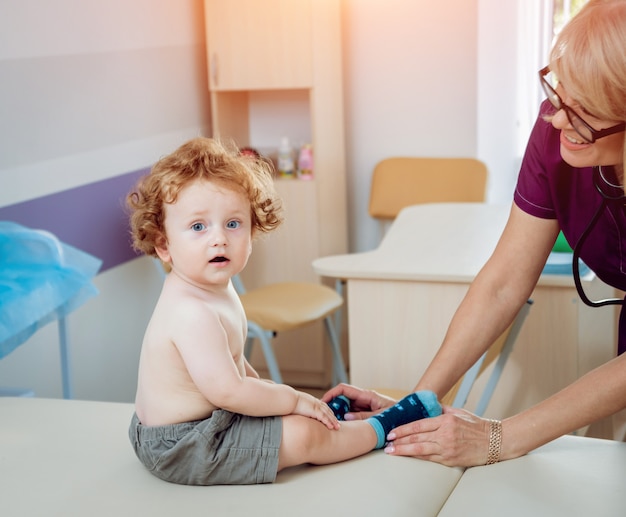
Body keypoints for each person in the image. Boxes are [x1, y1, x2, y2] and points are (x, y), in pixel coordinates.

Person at [323, 0, 626, 467]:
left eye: (584, 112)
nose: (558, 118)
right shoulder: (556, 138)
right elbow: (504, 281)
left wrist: (499, 438)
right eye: (559, 93)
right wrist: (415, 403)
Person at [125, 137, 441, 485]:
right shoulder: (190, 311)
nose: (219, 239)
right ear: (164, 245)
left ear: (253, 229)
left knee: (290, 414)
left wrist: (275, 400)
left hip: (204, 421)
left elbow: (231, 362)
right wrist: (292, 399)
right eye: (199, 227)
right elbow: (228, 391)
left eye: (233, 224)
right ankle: (382, 428)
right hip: (183, 446)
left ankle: (335, 422)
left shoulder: (214, 287)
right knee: (306, 437)